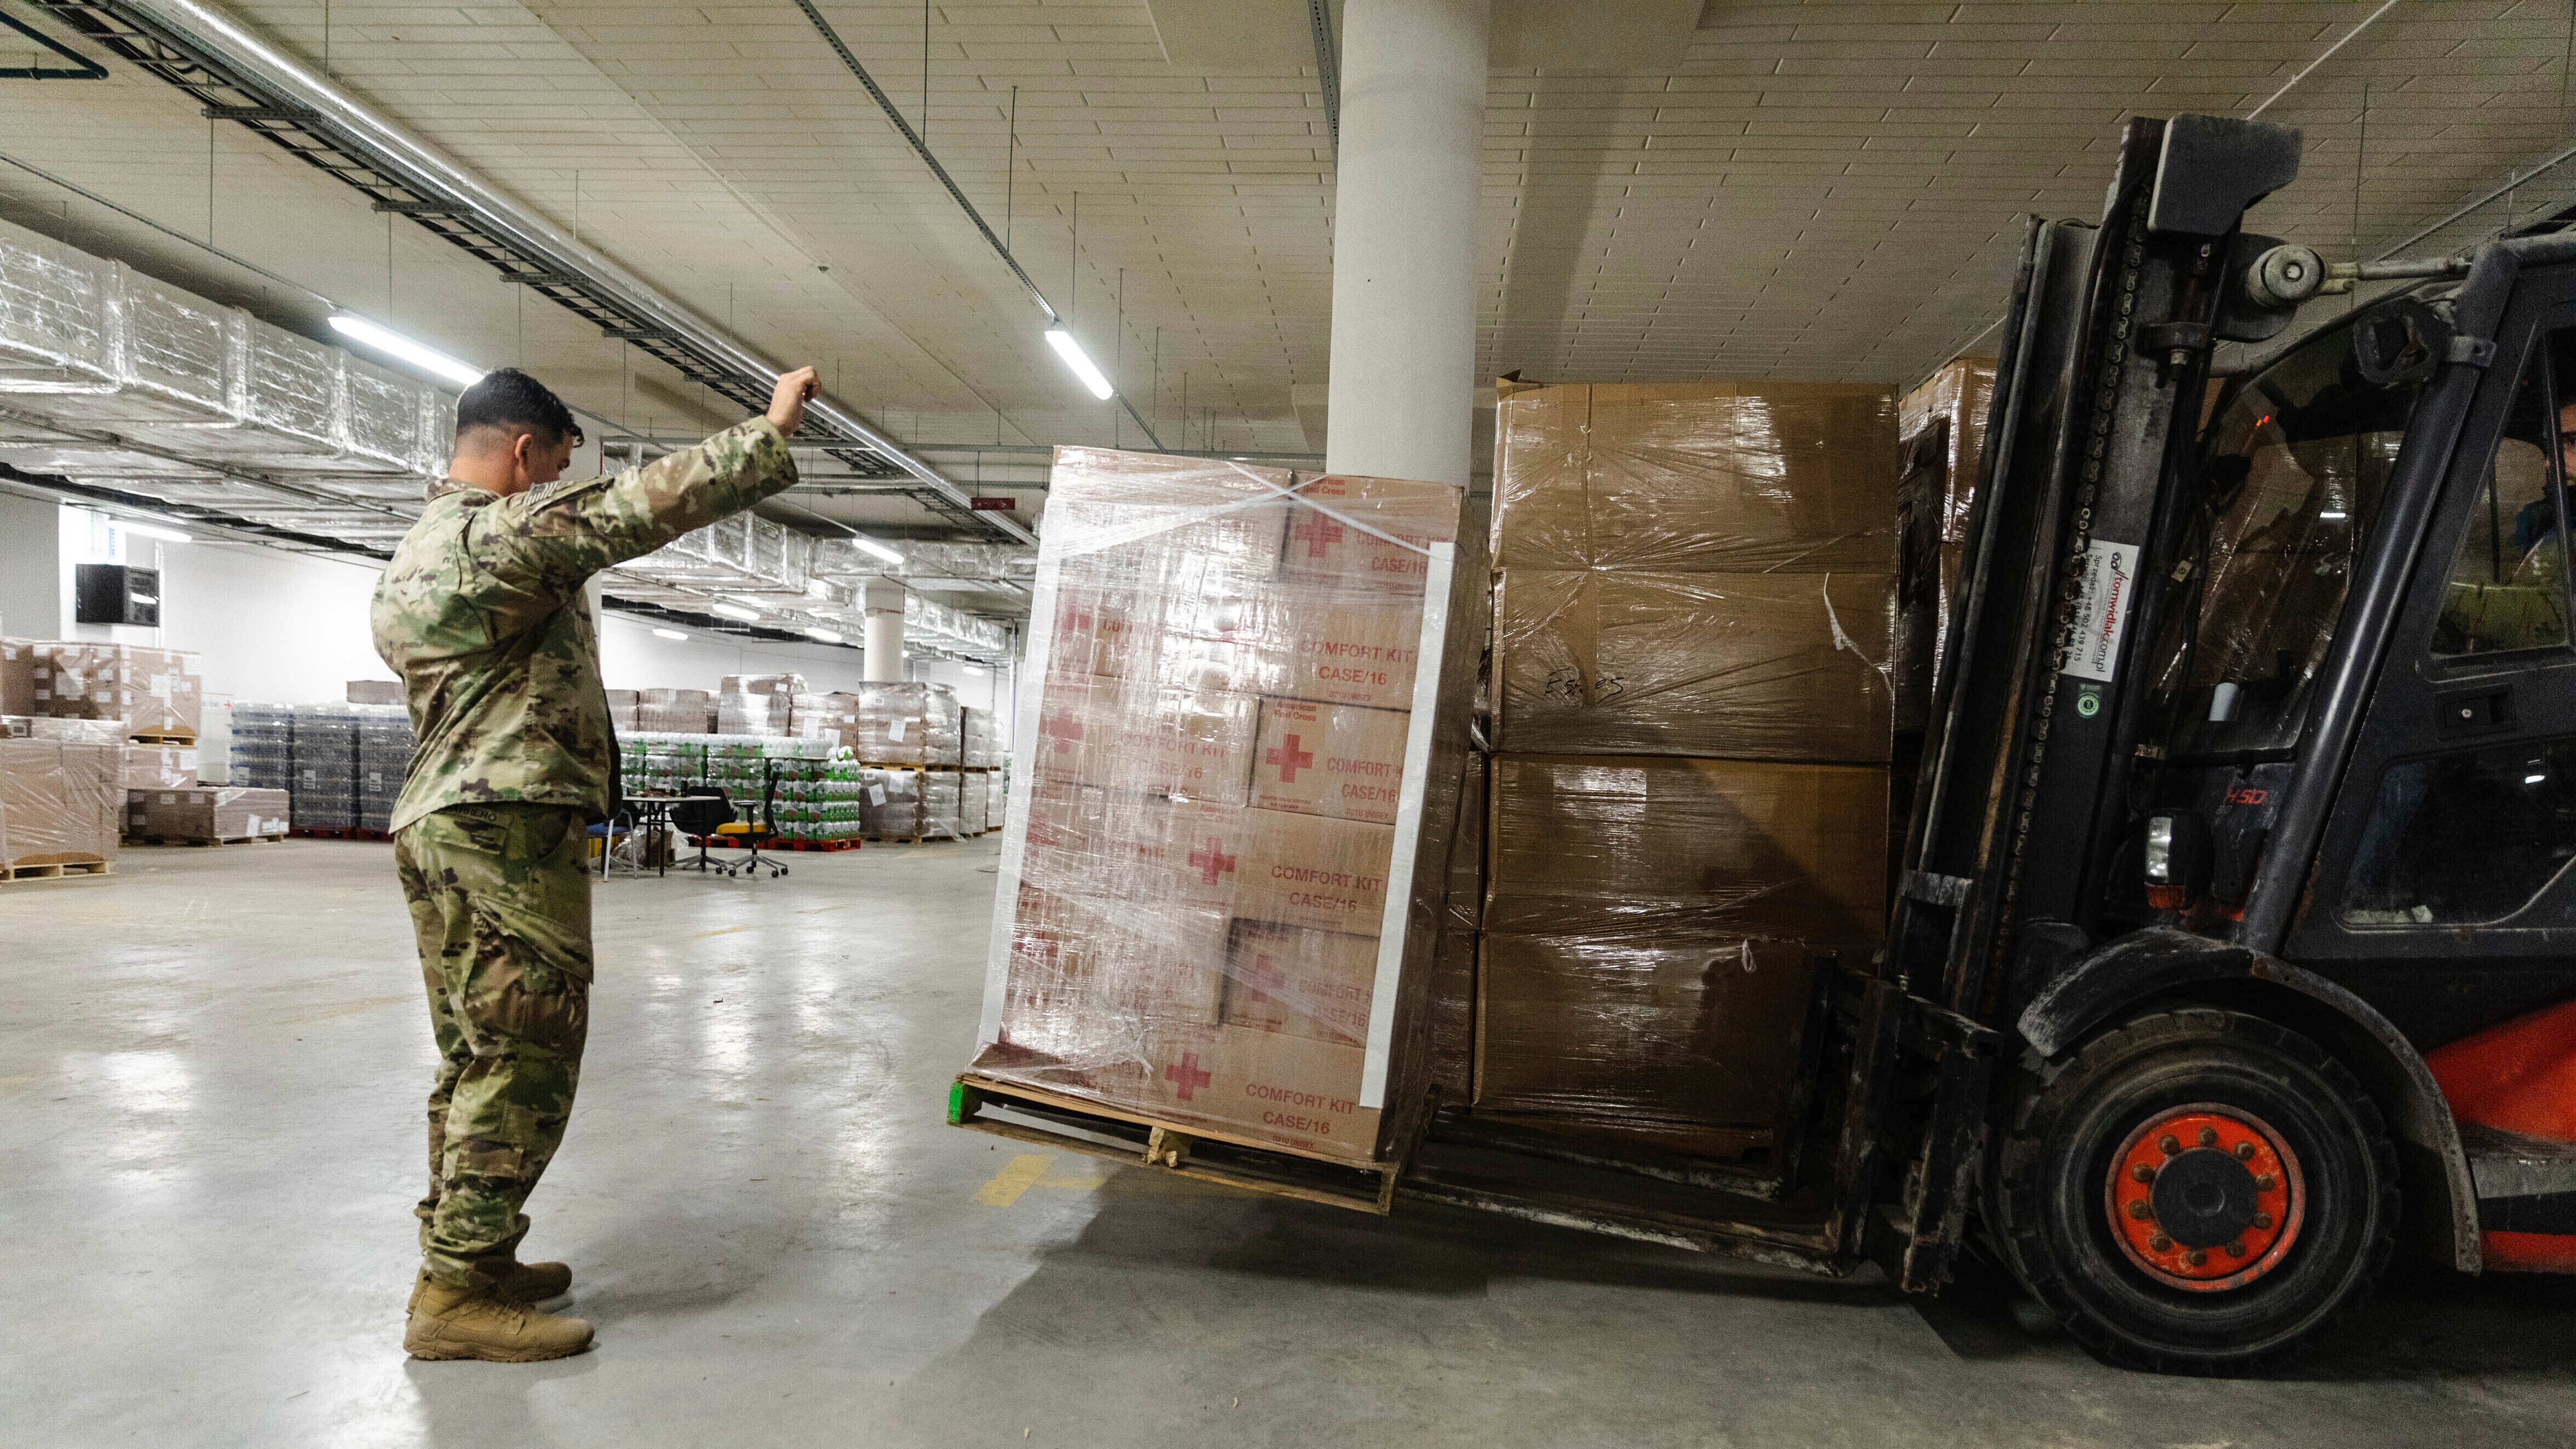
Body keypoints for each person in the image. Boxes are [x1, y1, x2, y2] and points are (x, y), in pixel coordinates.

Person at [374, 363, 817, 1361]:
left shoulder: (416, 552)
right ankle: (452, 1297)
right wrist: (767, 431)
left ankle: (470, 1258)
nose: (557, 485)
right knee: (525, 1052)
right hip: (504, 828)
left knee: (474, 1054)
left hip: (445, 823)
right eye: (556, 465)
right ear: (525, 452)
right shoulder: (498, 535)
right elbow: (631, 511)